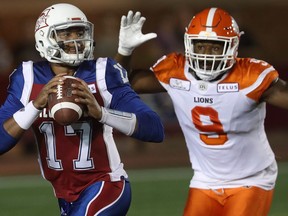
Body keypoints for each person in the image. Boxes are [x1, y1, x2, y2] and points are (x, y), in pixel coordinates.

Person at [116, 8, 288, 216]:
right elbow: (119, 83)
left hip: (251, 178)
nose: (206, 54)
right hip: (205, 179)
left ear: (232, 46)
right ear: (189, 43)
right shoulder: (176, 71)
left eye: (215, 47)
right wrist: (125, 51)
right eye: (200, 46)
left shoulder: (251, 76)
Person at [0, 3, 164, 216]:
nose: (75, 40)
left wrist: (101, 113)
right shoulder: (28, 77)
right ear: (44, 37)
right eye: (66, 34)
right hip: (64, 194)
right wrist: (35, 105)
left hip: (107, 185)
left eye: (80, 32)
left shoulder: (103, 72)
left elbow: (155, 128)